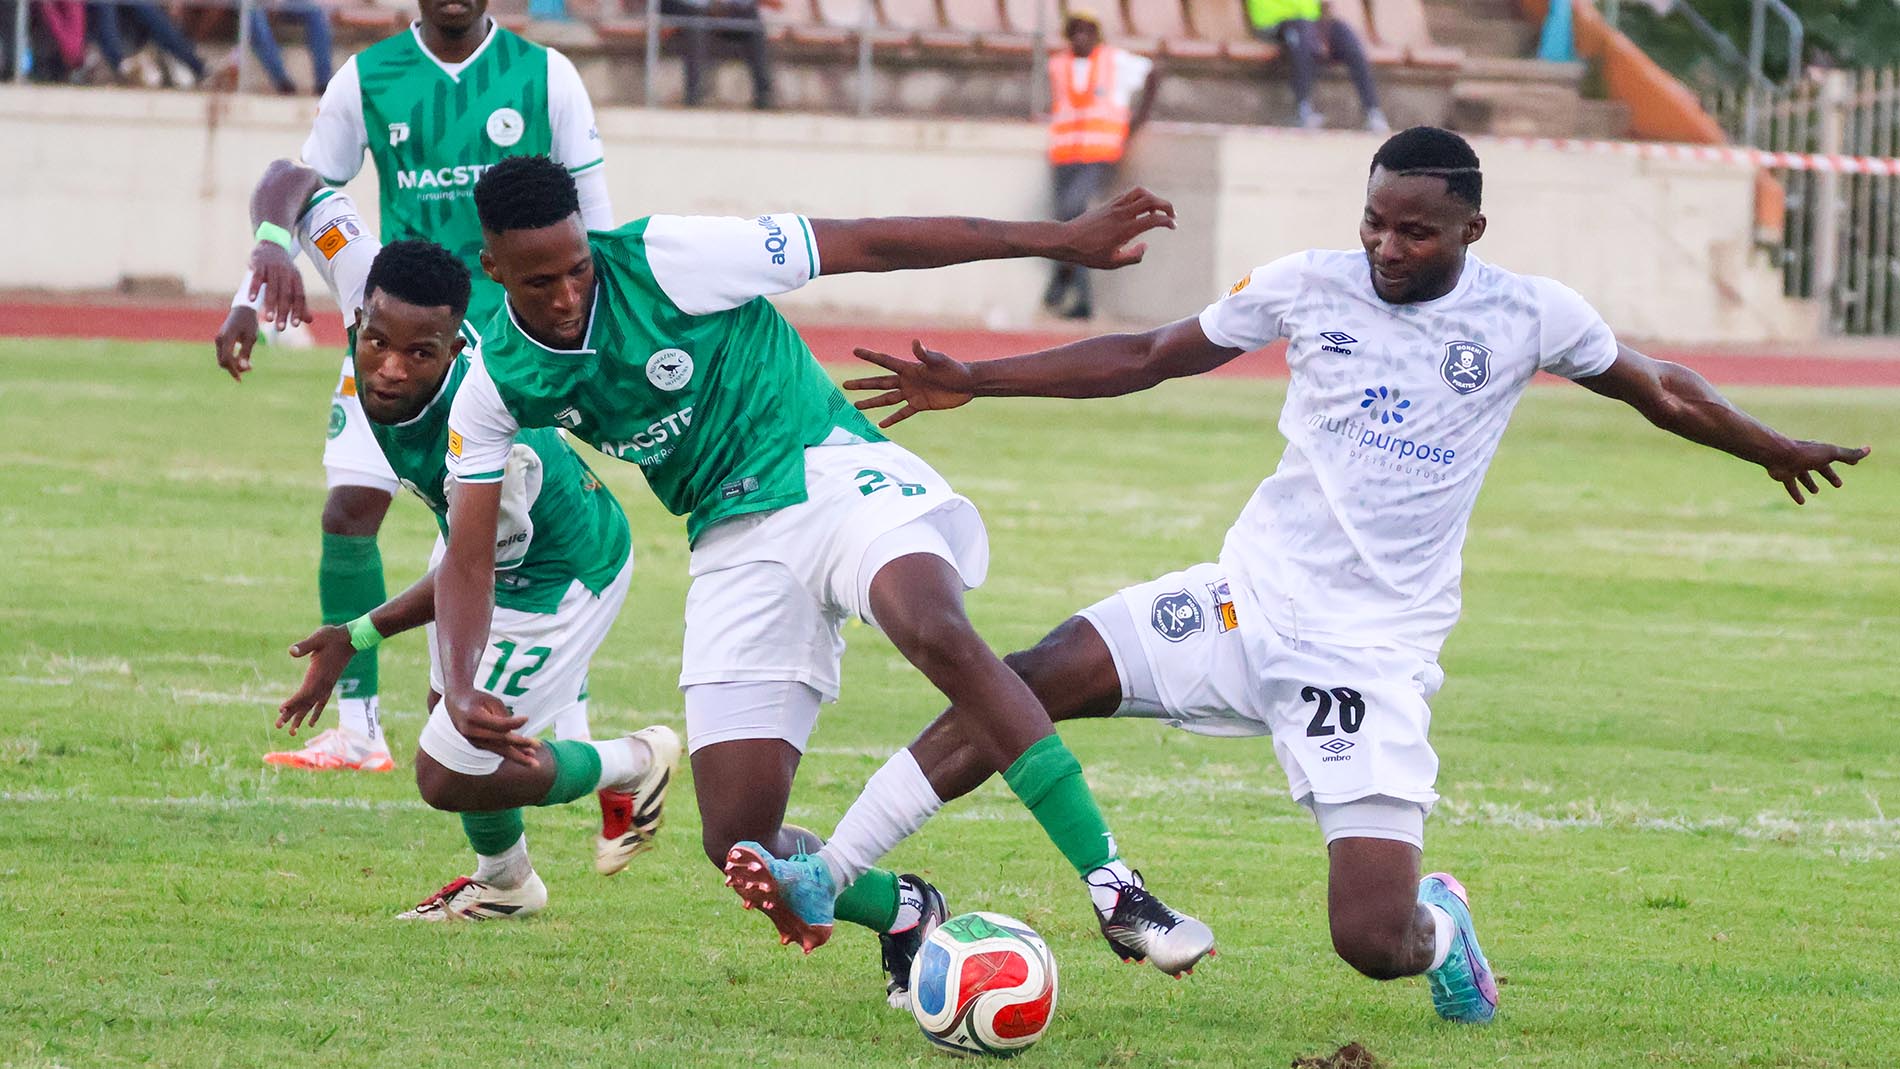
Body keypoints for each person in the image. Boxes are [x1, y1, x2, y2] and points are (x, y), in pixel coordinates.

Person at [842, 126, 1869, 1025]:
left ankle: (1444, 927)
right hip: (1241, 600)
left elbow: (1663, 391)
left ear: (1472, 229)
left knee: (1372, 941)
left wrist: (1767, 443)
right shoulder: (1305, 283)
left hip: (1369, 653)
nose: (1385, 245)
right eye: (1374, 222)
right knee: (1022, 676)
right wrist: (978, 379)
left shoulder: (1528, 314)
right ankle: (833, 870)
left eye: (1414, 231)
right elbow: (1150, 352)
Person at [433, 155, 1213, 1005]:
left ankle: (1115, 887)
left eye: (578, 268)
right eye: (540, 280)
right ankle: (904, 906)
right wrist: (462, 680)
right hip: (733, 539)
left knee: (935, 628)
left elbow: (867, 243)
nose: (568, 293)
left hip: (827, 469)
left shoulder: (667, 258)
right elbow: (469, 554)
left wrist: (1057, 240)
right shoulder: (493, 383)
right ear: (493, 267)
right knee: (738, 837)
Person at [243, 162, 681, 918]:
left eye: (420, 355)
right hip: (476, 541)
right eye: (376, 342)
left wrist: (362, 631)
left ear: (452, 353)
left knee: (448, 767)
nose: (387, 368)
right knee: (453, 705)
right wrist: (271, 247)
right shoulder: (370, 287)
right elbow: (291, 178)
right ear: (359, 316)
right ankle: (507, 884)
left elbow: (471, 574)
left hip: (559, 570)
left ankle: (634, 761)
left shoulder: (488, 440)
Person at [214, 0, 613, 777]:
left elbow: (593, 226)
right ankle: (360, 729)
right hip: (398, 332)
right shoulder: (367, 77)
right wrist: (254, 291)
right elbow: (298, 187)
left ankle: (575, 721)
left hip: (511, 355)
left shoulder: (547, 78)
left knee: (523, 532)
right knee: (349, 508)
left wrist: (583, 345)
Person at [1042, 9, 1158, 321]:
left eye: (1087, 31)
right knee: (1068, 223)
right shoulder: (1057, 65)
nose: (1081, 37)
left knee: (1074, 212)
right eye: (1075, 31)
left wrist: (1136, 124)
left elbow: (1152, 73)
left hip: (1099, 155)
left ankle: (1070, 285)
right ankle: (1071, 286)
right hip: (1064, 156)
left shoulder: (1114, 61)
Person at [1246, 0, 1387, 131]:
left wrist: (1325, 24)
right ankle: (1302, 110)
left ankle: (1373, 112)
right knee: (1302, 34)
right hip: (1271, 22)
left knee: (1344, 33)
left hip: (1309, 22)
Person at [660, 0, 774, 110]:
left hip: (727, 9)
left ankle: (764, 95)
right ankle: (694, 95)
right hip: (693, 9)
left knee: (752, 20)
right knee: (696, 21)